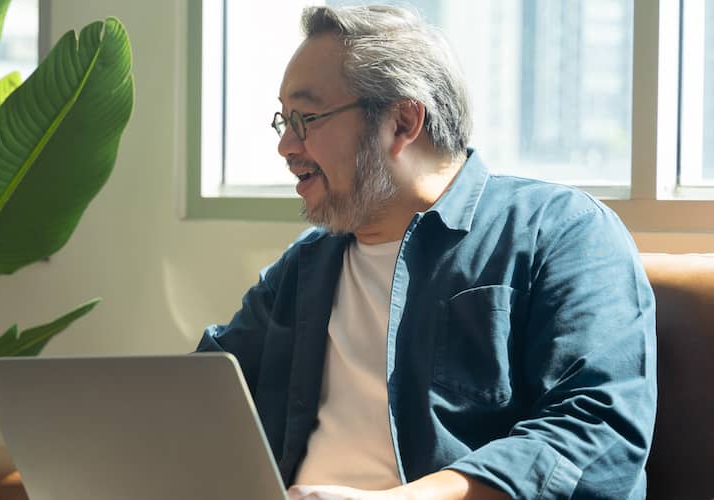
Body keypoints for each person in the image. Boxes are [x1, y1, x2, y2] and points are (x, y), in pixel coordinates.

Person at [197, 5, 656, 500]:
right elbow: (195, 400)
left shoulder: (561, 231)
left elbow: (595, 435)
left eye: (307, 118)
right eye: (283, 120)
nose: (286, 145)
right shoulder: (304, 268)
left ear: (402, 121)